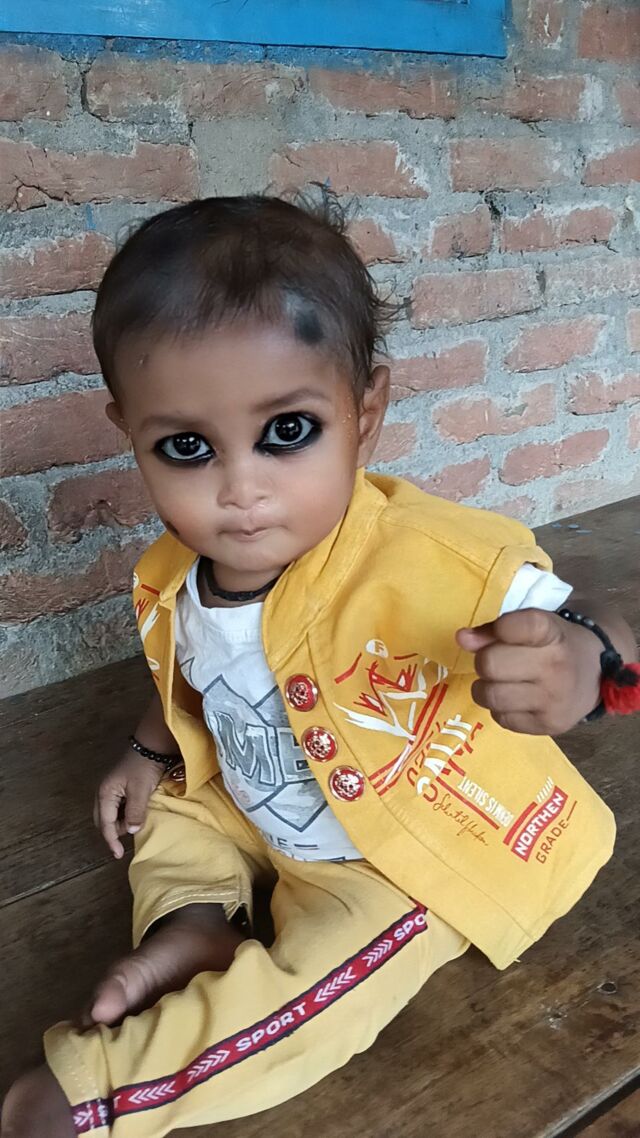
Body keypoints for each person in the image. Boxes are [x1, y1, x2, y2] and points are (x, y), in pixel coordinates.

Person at [2, 192, 638, 1138]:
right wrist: (147, 750)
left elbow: (602, 619)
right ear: (128, 431)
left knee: (335, 976)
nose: (241, 489)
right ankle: (195, 920)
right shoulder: (174, 573)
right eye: (187, 448)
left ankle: (101, 1092)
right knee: (166, 814)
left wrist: (587, 660)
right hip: (247, 798)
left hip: (386, 856)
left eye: (287, 432)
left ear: (364, 412)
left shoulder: (427, 555)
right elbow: (193, 679)